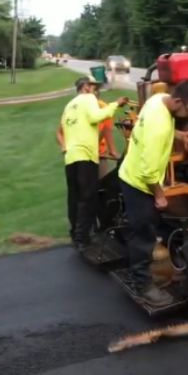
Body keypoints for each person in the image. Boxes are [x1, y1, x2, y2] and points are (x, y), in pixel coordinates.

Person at [118, 80, 188, 308]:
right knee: (144, 235)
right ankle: (144, 285)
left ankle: (171, 263)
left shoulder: (157, 101)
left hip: (129, 172)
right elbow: (149, 174)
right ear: (178, 101)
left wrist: (183, 136)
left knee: (156, 224)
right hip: (140, 183)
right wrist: (160, 196)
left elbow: (165, 128)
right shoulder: (159, 126)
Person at [58, 75, 128, 249]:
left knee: (73, 197)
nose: (96, 91)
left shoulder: (69, 105)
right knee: (87, 197)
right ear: (86, 88)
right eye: (93, 87)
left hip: (71, 157)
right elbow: (97, 116)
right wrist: (116, 104)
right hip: (86, 155)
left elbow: (64, 129)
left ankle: (75, 233)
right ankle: (83, 238)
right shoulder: (88, 99)